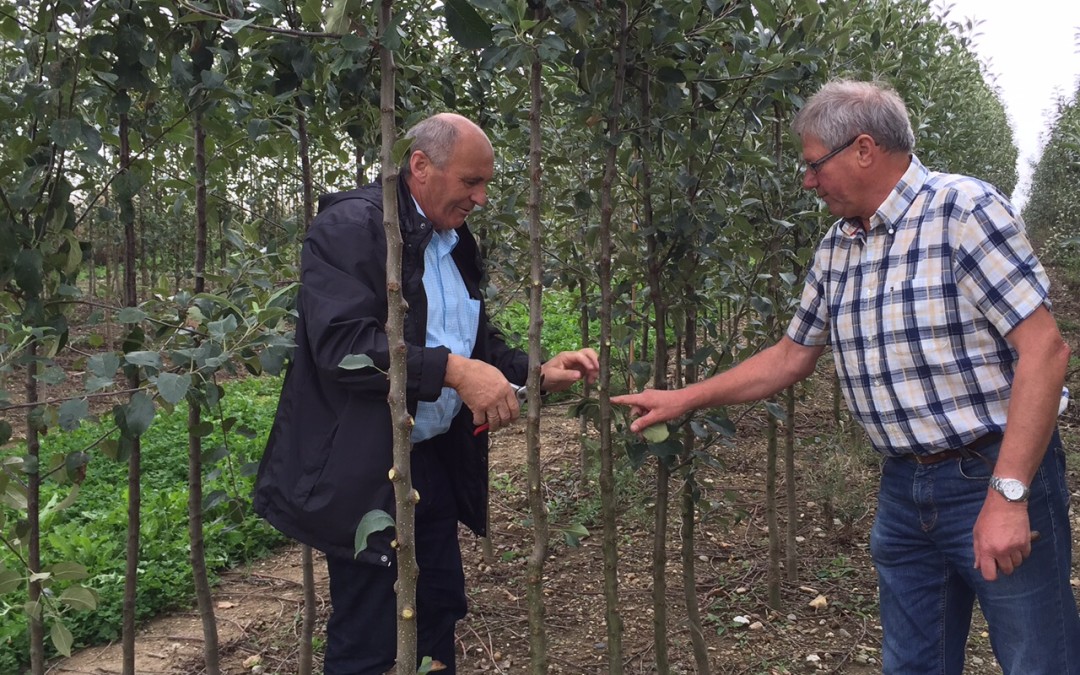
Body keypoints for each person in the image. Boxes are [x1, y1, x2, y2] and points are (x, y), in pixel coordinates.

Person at [612, 80, 1078, 674]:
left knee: (1039, 657)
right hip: (904, 490)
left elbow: (1045, 350)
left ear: (863, 149)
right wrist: (685, 398)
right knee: (913, 663)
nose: (808, 181)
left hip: (990, 470)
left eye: (813, 165)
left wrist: (1009, 495)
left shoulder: (962, 211)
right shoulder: (838, 247)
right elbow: (791, 355)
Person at [254, 112, 599, 675]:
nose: (481, 199)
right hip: (369, 472)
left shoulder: (454, 241)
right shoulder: (351, 230)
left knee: (437, 613)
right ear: (420, 166)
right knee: (369, 638)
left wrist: (535, 372)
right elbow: (344, 347)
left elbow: (473, 342)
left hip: (431, 464)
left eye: (485, 184)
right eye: (471, 182)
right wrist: (457, 373)